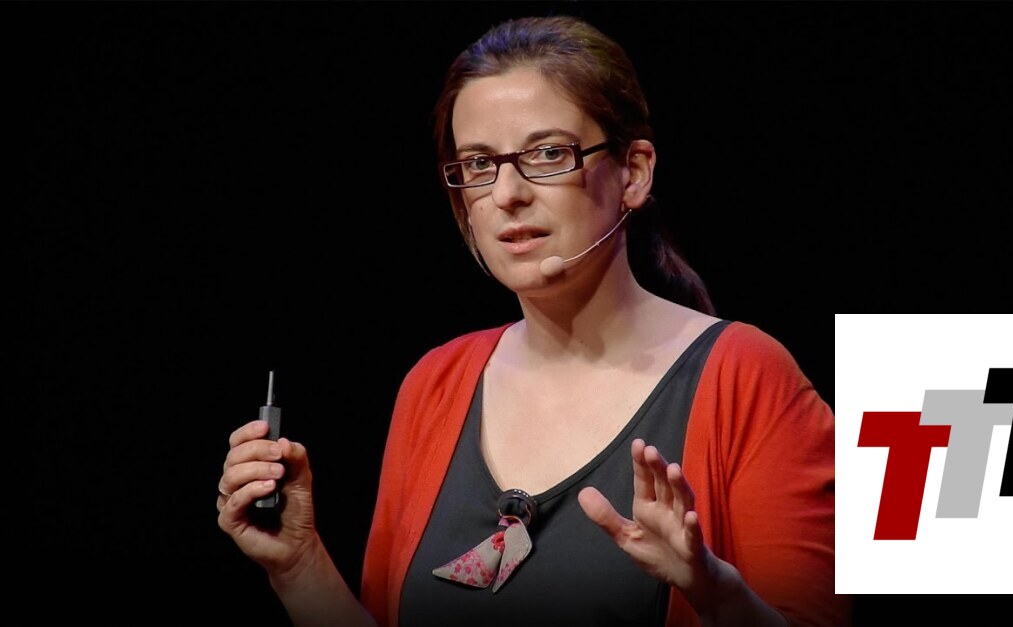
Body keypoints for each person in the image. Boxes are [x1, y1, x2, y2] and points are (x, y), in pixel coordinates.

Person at [217, 14, 849, 627]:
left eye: (547, 154)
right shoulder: (434, 385)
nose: (507, 194)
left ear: (633, 173)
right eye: (478, 164)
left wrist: (715, 594)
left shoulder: (745, 377)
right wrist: (299, 566)